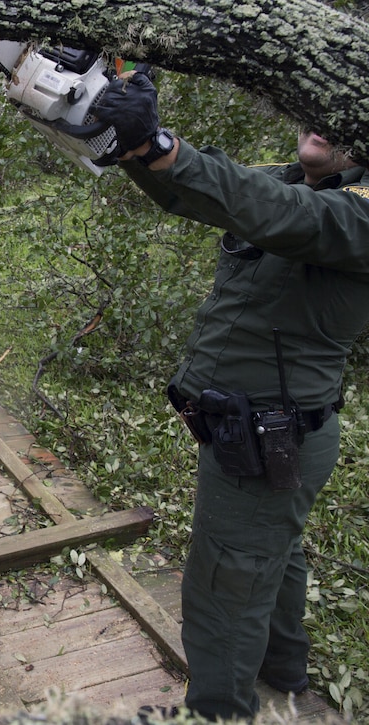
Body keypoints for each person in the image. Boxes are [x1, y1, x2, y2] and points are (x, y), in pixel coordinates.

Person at [93, 73, 369, 721]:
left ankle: (218, 709)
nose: (324, 116)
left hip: (271, 434)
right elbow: (213, 184)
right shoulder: (290, 181)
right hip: (255, 428)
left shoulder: (356, 208)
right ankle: (283, 666)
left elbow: (280, 214)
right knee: (270, 549)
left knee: (224, 579)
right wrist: (136, 145)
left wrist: (160, 142)